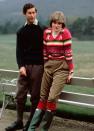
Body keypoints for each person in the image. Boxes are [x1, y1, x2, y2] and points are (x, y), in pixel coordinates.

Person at [28, 11, 74, 131]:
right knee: (42, 97)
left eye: (59, 23)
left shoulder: (65, 33)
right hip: (48, 66)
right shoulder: (46, 33)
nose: (57, 25)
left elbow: (68, 54)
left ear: (63, 24)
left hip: (61, 67)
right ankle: (31, 129)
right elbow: (45, 52)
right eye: (54, 22)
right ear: (51, 23)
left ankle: (43, 129)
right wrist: (45, 65)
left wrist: (71, 70)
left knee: (52, 97)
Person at [5, 3, 44, 131]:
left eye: (34, 12)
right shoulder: (20, 31)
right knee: (20, 95)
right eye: (29, 13)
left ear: (36, 13)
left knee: (35, 96)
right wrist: (21, 66)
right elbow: (19, 51)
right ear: (24, 14)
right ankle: (19, 121)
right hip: (25, 67)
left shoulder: (43, 30)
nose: (32, 15)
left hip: (38, 67)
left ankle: (31, 123)